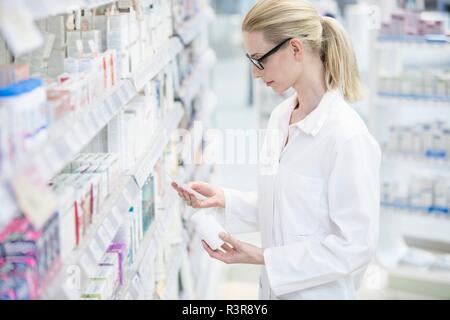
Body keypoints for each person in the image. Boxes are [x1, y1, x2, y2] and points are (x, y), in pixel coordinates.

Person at [171, 0, 381, 300]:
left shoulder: (347, 137)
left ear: (295, 49)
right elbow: (290, 207)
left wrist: (263, 257)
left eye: (260, 60)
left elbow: (356, 247)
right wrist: (225, 199)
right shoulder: (281, 118)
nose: (256, 73)